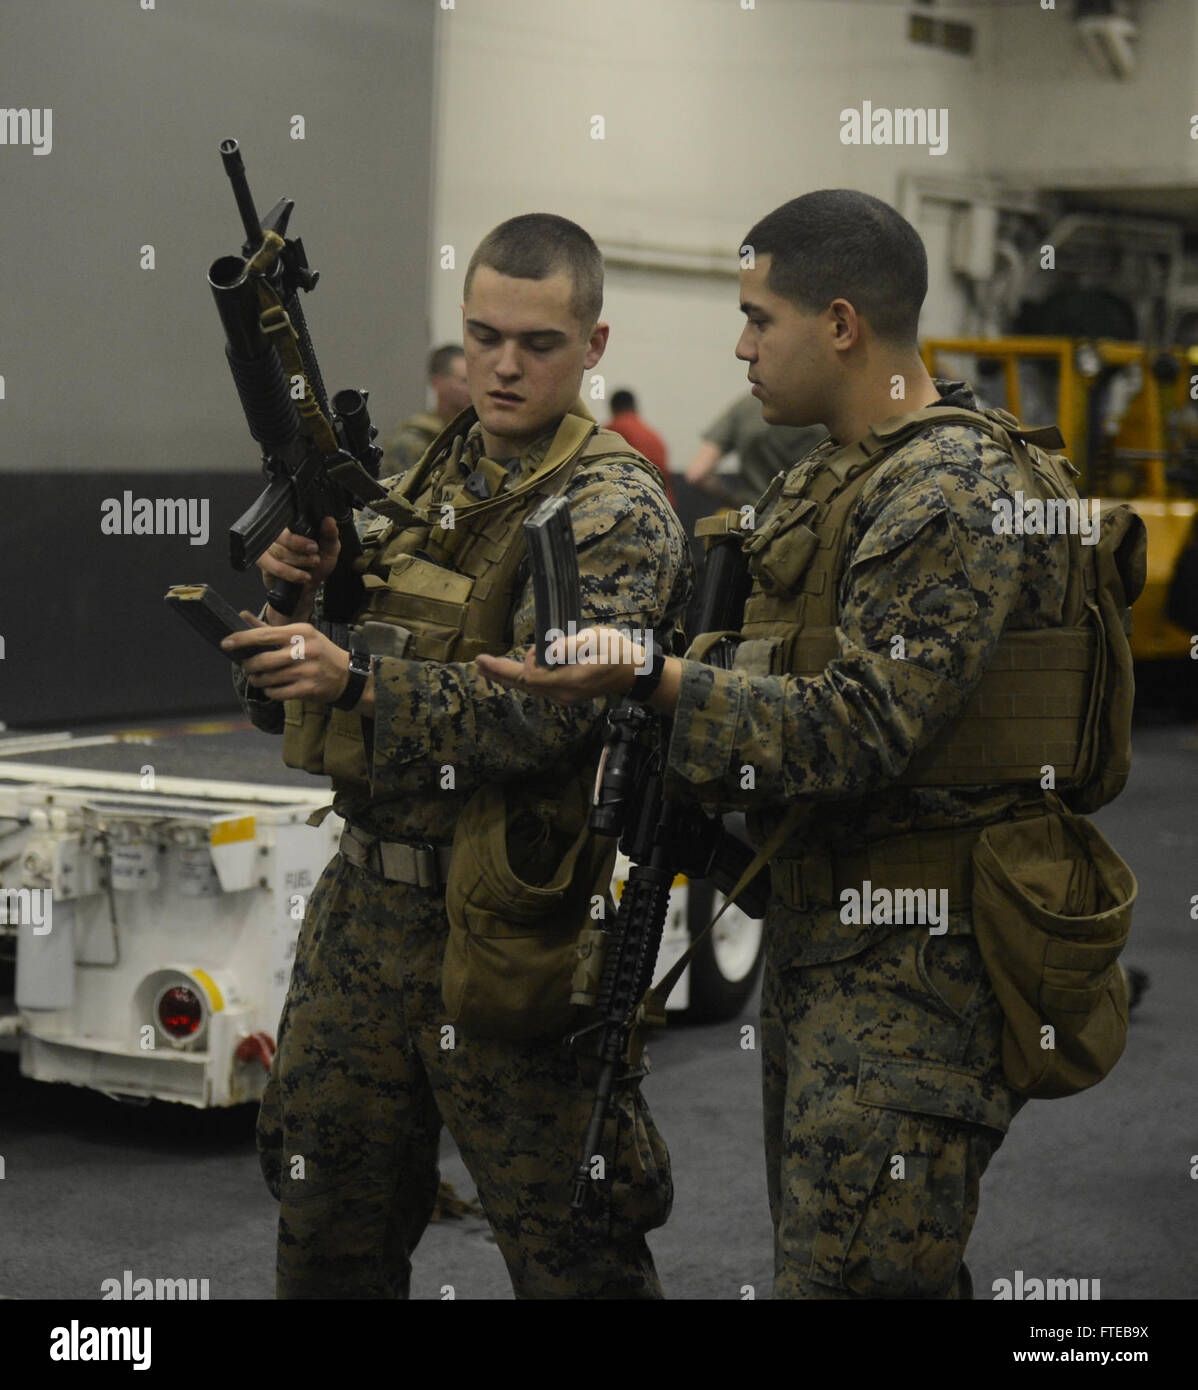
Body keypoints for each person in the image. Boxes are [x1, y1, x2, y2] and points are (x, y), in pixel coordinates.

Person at [478, 189, 1106, 1299]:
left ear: (842, 323)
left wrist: (654, 676)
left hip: (920, 967)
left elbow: (865, 725)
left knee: (856, 1276)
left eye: (759, 317)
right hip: (838, 944)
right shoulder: (836, 471)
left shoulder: (948, 489)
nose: (741, 343)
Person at [224, 213, 692, 1299]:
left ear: (595, 344)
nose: (504, 364)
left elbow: (550, 714)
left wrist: (357, 679)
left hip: (510, 924)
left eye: (538, 343)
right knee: (326, 1230)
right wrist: (308, 592)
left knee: (571, 1251)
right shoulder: (430, 473)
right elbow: (335, 672)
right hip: (363, 910)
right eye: (484, 336)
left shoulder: (615, 508)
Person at [685, 389, 825, 509]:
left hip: (755, 518)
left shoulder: (747, 406)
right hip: (811, 520)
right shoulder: (822, 406)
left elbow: (697, 474)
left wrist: (735, 500)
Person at [382, 343, 473, 470]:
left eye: (475, 380)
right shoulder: (413, 442)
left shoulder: (477, 435)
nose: (472, 388)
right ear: (437, 382)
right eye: (464, 381)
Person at [608, 388, 675, 507]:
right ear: (634, 406)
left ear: (613, 408)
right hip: (664, 501)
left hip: (636, 502)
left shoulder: (613, 430)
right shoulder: (652, 434)